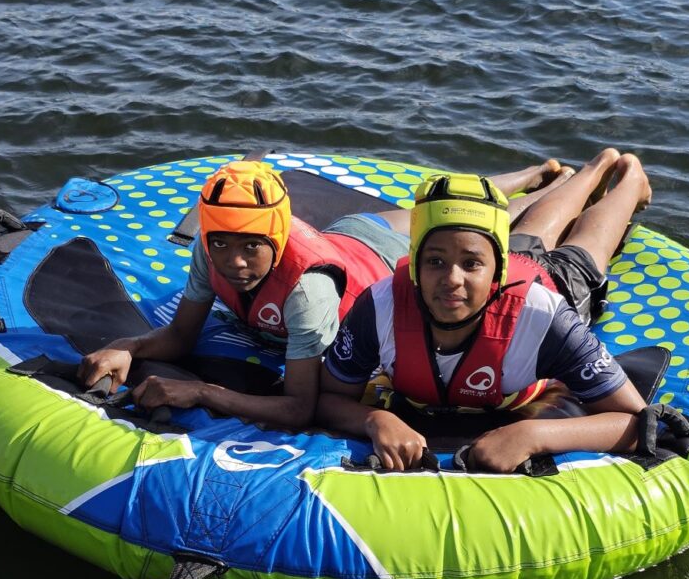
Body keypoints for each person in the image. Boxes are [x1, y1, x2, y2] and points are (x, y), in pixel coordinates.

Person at [78, 158, 565, 428]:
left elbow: (299, 408)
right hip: (345, 232)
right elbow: (182, 337)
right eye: (222, 243)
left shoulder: (307, 294)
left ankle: (568, 182)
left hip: (375, 253)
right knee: (462, 203)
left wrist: (203, 392)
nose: (235, 262)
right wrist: (130, 346)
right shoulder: (211, 250)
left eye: (252, 246)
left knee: (479, 219)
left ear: (276, 237)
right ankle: (528, 172)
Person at [317, 148, 653, 472]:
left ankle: (630, 180)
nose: (452, 279)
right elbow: (328, 398)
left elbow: (637, 421)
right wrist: (375, 419)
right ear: (415, 262)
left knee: (586, 248)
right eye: (435, 261)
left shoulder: (545, 317)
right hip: (507, 259)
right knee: (529, 235)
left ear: (496, 270)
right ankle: (594, 169)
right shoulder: (380, 306)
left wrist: (533, 435)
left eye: (470, 264)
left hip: (554, 283)